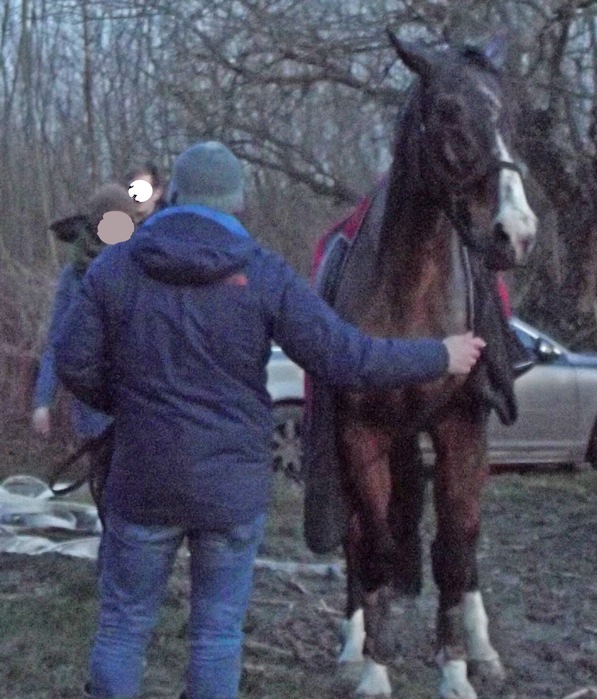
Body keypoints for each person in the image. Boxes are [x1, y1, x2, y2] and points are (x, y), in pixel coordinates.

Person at [52, 141, 486, 699]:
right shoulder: (262, 273)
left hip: (144, 478)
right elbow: (347, 357)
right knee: (215, 634)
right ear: (237, 203)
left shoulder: (116, 265)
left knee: (123, 626)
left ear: (175, 194)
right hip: (231, 488)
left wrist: (128, 404)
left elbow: (72, 360)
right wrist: (439, 355)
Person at [32, 183, 137, 443]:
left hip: (140, 408)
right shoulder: (75, 274)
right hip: (94, 410)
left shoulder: (144, 266)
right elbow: (59, 339)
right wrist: (42, 401)